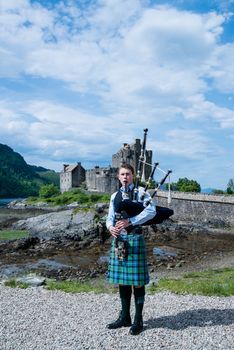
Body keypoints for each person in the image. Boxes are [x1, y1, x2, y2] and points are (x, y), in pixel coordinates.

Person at [106, 163, 156, 335]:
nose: (125, 176)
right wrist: (110, 228)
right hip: (119, 239)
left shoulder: (141, 193)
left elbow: (151, 211)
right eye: (122, 174)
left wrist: (131, 222)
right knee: (123, 280)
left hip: (134, 238)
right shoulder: (114, 196)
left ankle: (138, 320)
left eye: (128, 173)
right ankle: (125, 317)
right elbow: (110, 217)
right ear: (118, 177)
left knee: (137, 281)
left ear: (132, 176)